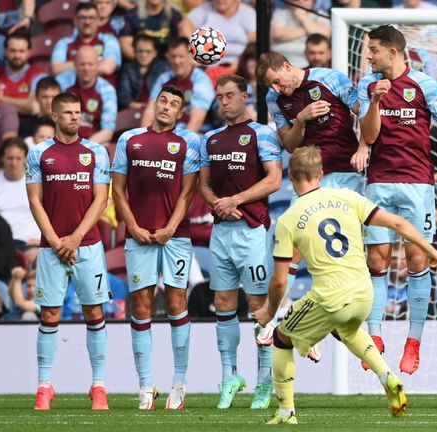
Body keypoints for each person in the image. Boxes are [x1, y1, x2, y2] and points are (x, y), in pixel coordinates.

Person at [254, 146, 437, 424]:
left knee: (282, 338)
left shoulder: (289, 219)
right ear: (320, 172)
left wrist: (269, 312)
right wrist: (429, 249)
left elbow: (281, 280)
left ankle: (286, 413)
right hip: (364, 293)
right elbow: (398, 223)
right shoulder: (348, 197)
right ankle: (387, 376)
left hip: (331, 296)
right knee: (348, 330)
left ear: (290, 175)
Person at [357, 25, 437, 374]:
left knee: (418, 259)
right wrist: (375, 100)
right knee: (377, 259)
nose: (368, 56)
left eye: (373, 50)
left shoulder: (423, 84)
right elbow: (369, 135)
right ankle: (374, 337)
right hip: (378, 182)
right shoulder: (366, 86)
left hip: (417, 184)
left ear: (393, 52)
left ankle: (413, 342)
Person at [111, 85, 200, 410]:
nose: (166, 106)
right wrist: (132, 226)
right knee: (142, 306)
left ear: (180, 113)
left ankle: (179, 383)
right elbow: (117, 190)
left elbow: (188, 193)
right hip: (139, 236)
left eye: (174, 104)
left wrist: (169, 228)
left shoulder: (187, 143)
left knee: (177, 302)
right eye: (163, 100)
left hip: (175, 236)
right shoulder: (129, 140)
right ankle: (145, 386)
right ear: (154, 104)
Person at [198, 74, 282, 410]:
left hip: (251, 230)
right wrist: (218, 203)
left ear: (246, 96)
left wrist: (236, 200)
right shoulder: (211, 139)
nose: (224, 101)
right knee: (223, 302)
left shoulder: (262, 134)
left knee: (259, 306)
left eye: (230, 95)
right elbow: (203, 185)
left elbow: (274, 179)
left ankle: (264, 381)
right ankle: (229, 376)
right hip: (222, 230)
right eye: (219, 96)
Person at [26, 92, 111, 411]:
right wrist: (57, 240)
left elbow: (100, 200)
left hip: (88, 246)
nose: (76, 117)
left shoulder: (96, 152)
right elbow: (35, 201)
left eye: (78, 112)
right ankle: (44, 386)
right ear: (54, 115)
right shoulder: (38, 153)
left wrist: (74, 238)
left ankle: (99, 386)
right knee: (49, 314)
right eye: (69, 113)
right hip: (51, 249)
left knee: (95, 313)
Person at [0, 137, 41, 264]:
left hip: (30, 245)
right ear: (2, 158)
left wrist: (43, 239)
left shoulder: (38, 183)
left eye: (18, 158)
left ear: (26, 159)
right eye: (9, 158)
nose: (13, 163)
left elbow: (53, 214)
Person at [142, 36, 215, 133]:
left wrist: (182, 144)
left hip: (196, 135)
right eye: (173, 56)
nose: (177, 61)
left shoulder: (201, 80)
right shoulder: (164, 79)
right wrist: (144, 137)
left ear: (190, 56)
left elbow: (196, 122)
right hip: (168, 134)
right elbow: (150, 111)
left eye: (181, 56)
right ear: (168, 57)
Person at [55, 46, 118, 144]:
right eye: (82, 64)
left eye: (90, 64)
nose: (86, 68)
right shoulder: (62, 82)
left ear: (98, 65)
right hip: (63, 140)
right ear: (75, 65)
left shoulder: (107, 90)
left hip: (94, 142)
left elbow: (107, 132)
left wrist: (83, 146)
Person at [51, 1, 121, 82]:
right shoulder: (64, 43)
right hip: (69, 91)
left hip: (103, 92)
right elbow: (56, 69)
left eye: (91, 18)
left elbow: (107, 68)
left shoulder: (109, 40)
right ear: (75, 20)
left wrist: (72, 65)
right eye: (83, 18)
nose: (87, 22)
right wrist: (93, 64)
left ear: (98, 20)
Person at [180, 0, 256, 67]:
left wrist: (241, 63)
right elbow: (185, 25)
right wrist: (196, 53)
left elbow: (253, 41)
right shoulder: (205, 9)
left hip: (240, 65)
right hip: (207, 65)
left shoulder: (247, 13)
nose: (220, 0)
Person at [0, 31, 47, 117]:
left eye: (21, 51)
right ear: (5, 52)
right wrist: (22, 103)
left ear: (29, 52)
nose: (17, 55)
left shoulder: (38, 75)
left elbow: (32, 107)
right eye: (13, 51)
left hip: (28, 124)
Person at [270, 0, 330, 67]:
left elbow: (324, 36)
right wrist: (309, 29)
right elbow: (277, 33)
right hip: (280, 65)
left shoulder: (321, 14)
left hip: (312, 65)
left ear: (314, 1)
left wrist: (303, 18)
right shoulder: (280, 13)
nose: (301, 1)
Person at [119, 0, 183, 60]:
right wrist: (143, 62)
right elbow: (125, 45)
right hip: (137, 62)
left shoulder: (174, 15)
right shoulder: (131, 15)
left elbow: (181, 44)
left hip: (166, 63)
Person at [118, 34, 168, 109]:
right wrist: (138, 106)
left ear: (155, 53)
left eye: (148, 51)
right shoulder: (128, 69)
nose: (144, 55)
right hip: (132, 110)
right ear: (134, 52)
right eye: (140, 51)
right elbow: (123, 95)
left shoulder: (164, 68)